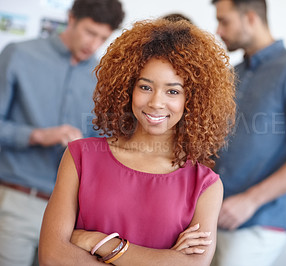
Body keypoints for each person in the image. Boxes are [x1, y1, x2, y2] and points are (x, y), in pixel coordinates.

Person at [38, 18, 236, 265]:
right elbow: (52, 256)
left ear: (192, 101)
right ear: (126, 88)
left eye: (173, 91)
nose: (155, 102)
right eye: (145, 87)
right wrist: (162, 259)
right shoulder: (81, 157)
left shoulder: (204, 185)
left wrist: (100, 243)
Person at [0, 0, 124, 265]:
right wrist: (37, 136)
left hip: (74, 216)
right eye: (90, 32)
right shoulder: (19, 54)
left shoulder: (104, 79)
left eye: (103, 37)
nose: (94, 44)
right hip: (18, 199)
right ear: (70, 19)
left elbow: (106, 146)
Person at [210, 0, 286, 266]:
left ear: (250, 18)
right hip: (213, 216)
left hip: (257, 221)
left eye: (224, 21)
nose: (218, 30)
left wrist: (250, 201)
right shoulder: (232, 74)